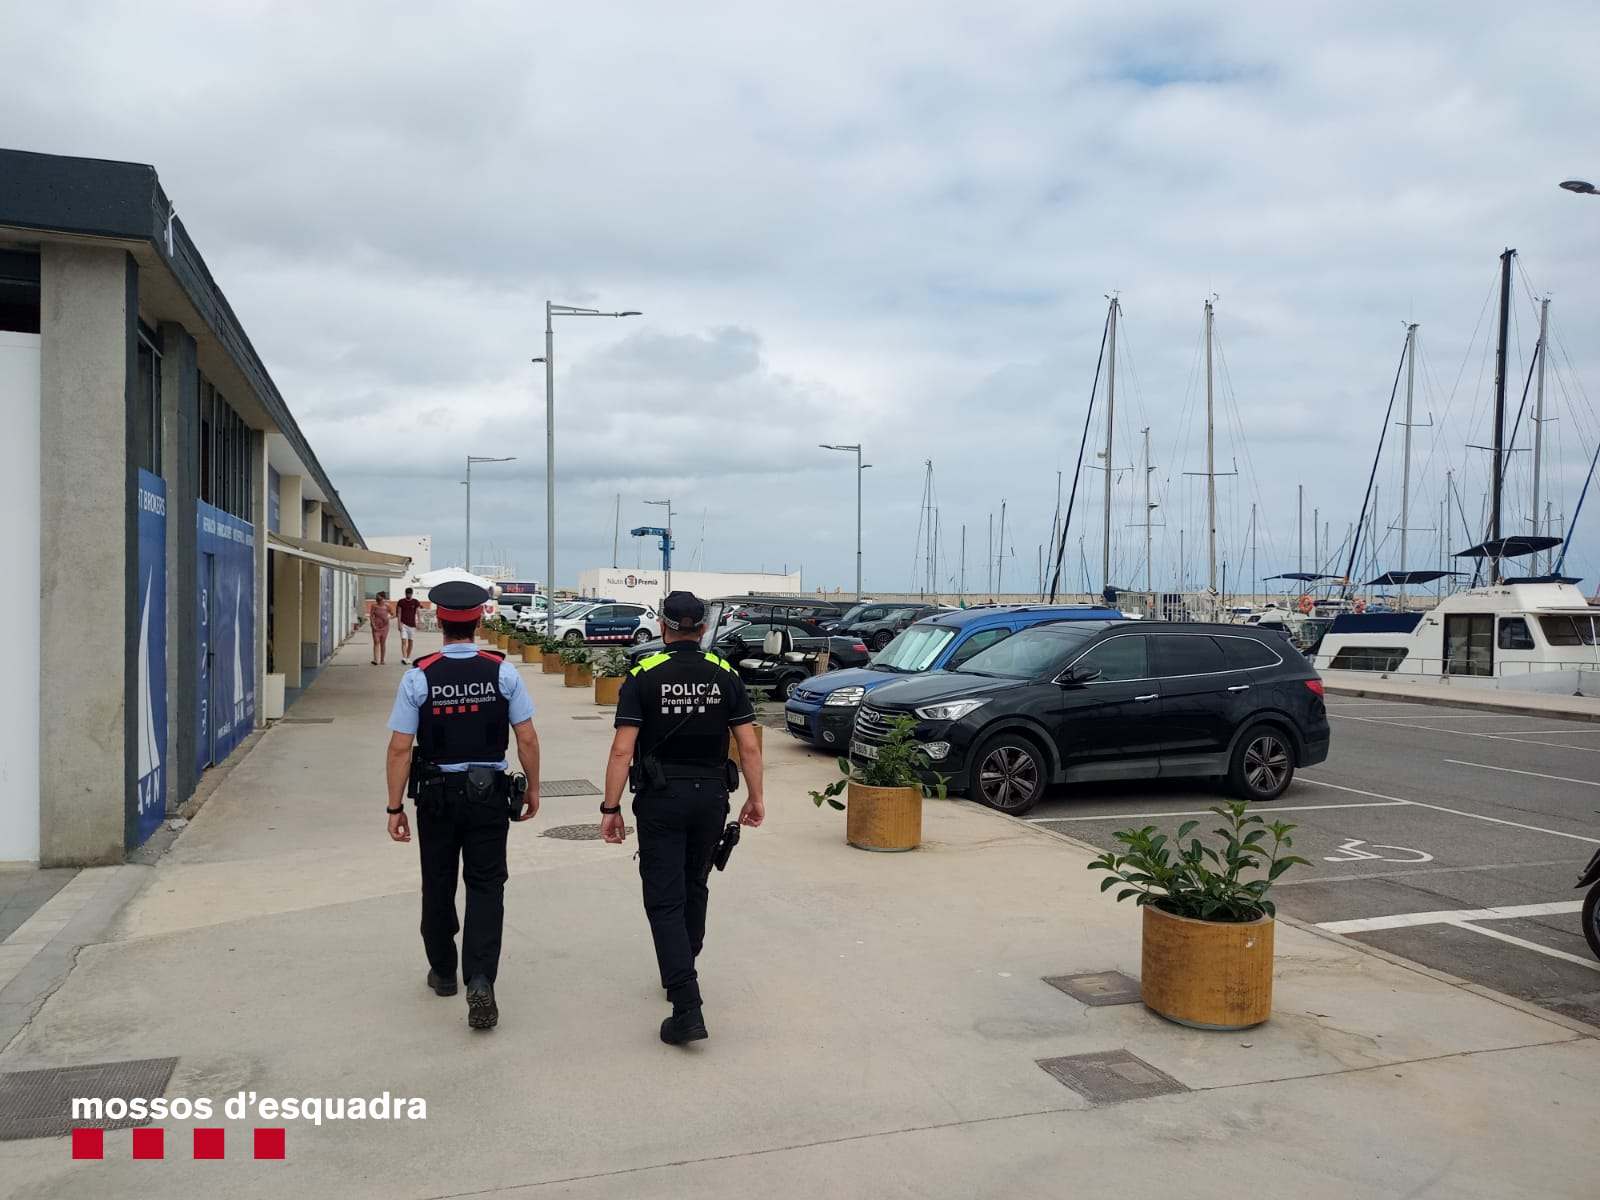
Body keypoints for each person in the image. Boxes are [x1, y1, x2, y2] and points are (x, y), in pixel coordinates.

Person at [601, 590, 764, 1045]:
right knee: (695, 884)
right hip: (712, 796)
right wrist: (756, 798)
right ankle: (683, 962)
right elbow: (748, 746)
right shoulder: (725, 673)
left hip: (661, 798)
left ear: (663, 626)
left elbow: (622, 749)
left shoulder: (642, 674)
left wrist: (610, 808)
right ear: (704, 628)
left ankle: (686, 1005)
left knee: (664, 897)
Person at [384, 579, 540, 1030]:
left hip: (436, 796)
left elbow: (399, 748)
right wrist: (532, 788)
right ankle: (481, 978)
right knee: (487, 885)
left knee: (437, 881)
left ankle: (443, 971)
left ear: (442, 623)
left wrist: (395, 808)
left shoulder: (419, 675)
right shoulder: (503, 672)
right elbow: (526, 736)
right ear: (476, 621)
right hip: (489, 794)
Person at [396, 587, 422, 664]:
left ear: (412, 594)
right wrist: (399, 624)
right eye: (407, 593)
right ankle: (404, 657)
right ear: (405, 593)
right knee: (404, 641)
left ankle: (408, 657)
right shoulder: (401, 602)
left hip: (412, 625)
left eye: (410, 594)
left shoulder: (415, 602)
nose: (408, 595)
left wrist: (419, 622)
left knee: (410, 642)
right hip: (403, 624)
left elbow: (418, 612)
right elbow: (399, 613)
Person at [370, 592, 392, 665]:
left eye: (379, 597)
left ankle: (382, 660)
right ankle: (376, 659)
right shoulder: (374, 606)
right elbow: (371, 616)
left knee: (383, 643)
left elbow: (393, 614)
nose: (377, 599)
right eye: (377, 597)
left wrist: (389, 618)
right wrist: (373, 625)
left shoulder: (387, 606)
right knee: (376, 642)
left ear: (383, 598)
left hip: (385, 627)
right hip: (376, 626)